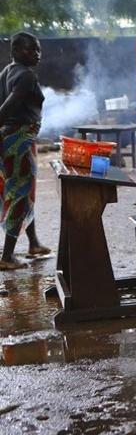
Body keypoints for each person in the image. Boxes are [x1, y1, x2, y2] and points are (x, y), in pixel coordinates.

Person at [0, 32, 51, 270]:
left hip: (10, 138)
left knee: (23, 189)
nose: (37, 54)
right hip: (20, 139)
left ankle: (33, 243)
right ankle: (7, 256)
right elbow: (9, 106)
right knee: (20, 193)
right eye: (32, 50)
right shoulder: (27, 75)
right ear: (17, 51)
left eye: (38, 49)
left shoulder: (7, 72)